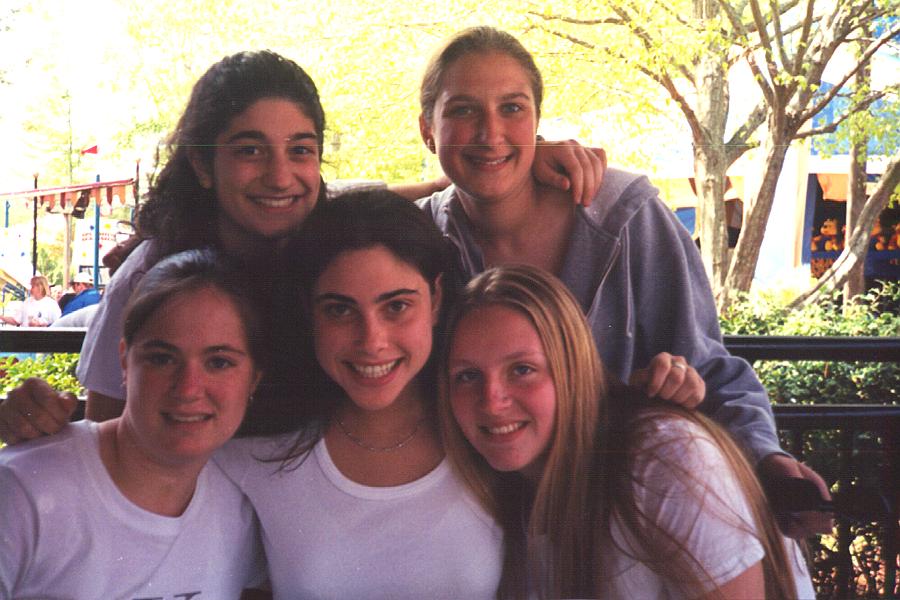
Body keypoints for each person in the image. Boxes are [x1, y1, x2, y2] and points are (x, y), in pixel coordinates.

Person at [415, 26, 830, 536]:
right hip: (489, 527)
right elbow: (326, 205)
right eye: (462, 111)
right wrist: (458, 174)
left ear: (538, 121)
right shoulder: (420, 238)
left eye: (512, 109)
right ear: (428, 130)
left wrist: (765, 459)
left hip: (634, 520)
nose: (489, 132)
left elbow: (709, 366)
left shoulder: (627, 218)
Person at [440, 264, 815, 599]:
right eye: (468, 376)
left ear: (572, 368)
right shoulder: (496, 494)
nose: (492, 401)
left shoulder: (664, 457)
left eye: (522, 370)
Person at [0, 250, 266, 597]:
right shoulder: (25, 489)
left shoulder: (241, 503)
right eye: (162, 358)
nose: (188, 388)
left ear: (254, 379)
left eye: (219, 362)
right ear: (124, 362)